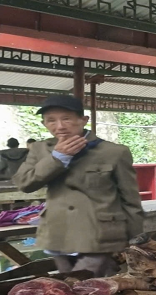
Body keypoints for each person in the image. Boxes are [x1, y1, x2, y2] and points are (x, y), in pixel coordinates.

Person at [13, 95, 143, 277]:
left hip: (100, 233)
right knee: (70, 289)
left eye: (66, 118)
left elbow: (130, 199)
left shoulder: (113, 152)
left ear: (83, 120)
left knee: (81, 284)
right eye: (51, 120)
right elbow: (24, 183)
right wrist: (57, 158)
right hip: (57, 232)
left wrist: (134, 237)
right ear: (44, 124)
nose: (59, 126)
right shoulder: (40, 150)